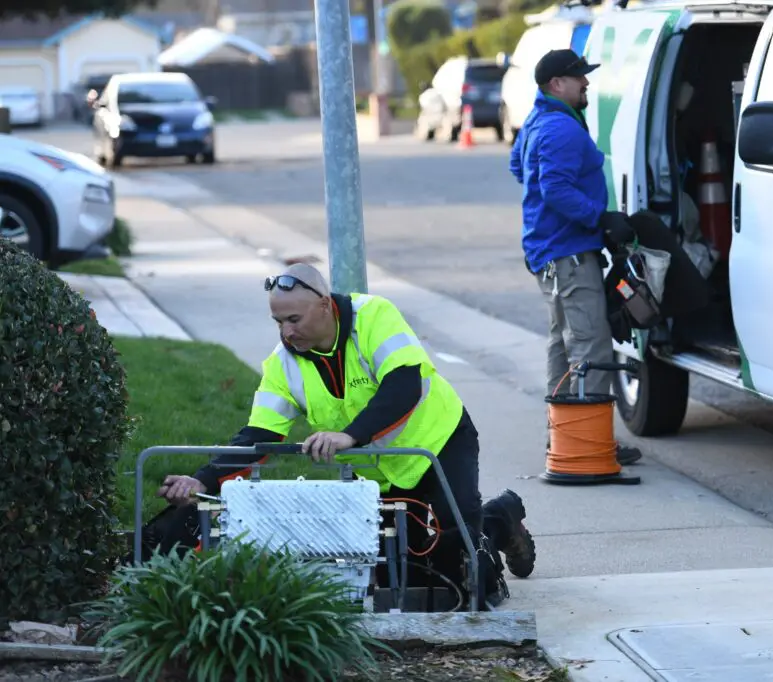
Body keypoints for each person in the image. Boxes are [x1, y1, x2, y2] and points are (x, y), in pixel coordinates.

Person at [152, 263, 536, 606]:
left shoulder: (375, 316)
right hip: (380, 472)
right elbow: (256, 436)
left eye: (294, 319)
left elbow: (404, 386)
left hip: (438, 444)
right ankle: (493, 519)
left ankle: (501, 518)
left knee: (466, 571)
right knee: (402, 569)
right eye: (278, 322)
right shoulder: (282, 365)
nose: (286, 332)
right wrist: (201, 479)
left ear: (324, 305)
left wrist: (349, 436)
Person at [508, 48, 642, 466]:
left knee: (562, 344)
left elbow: (518, 168)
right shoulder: (560, 129)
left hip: (549, 251)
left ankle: (564, 437)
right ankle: (588, 445)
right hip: (567, 252)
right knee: (590, 345)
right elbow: (555, 189)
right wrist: (598, 218)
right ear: (556, 85)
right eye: (579, 77)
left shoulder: (537, 122)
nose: (586, 82)